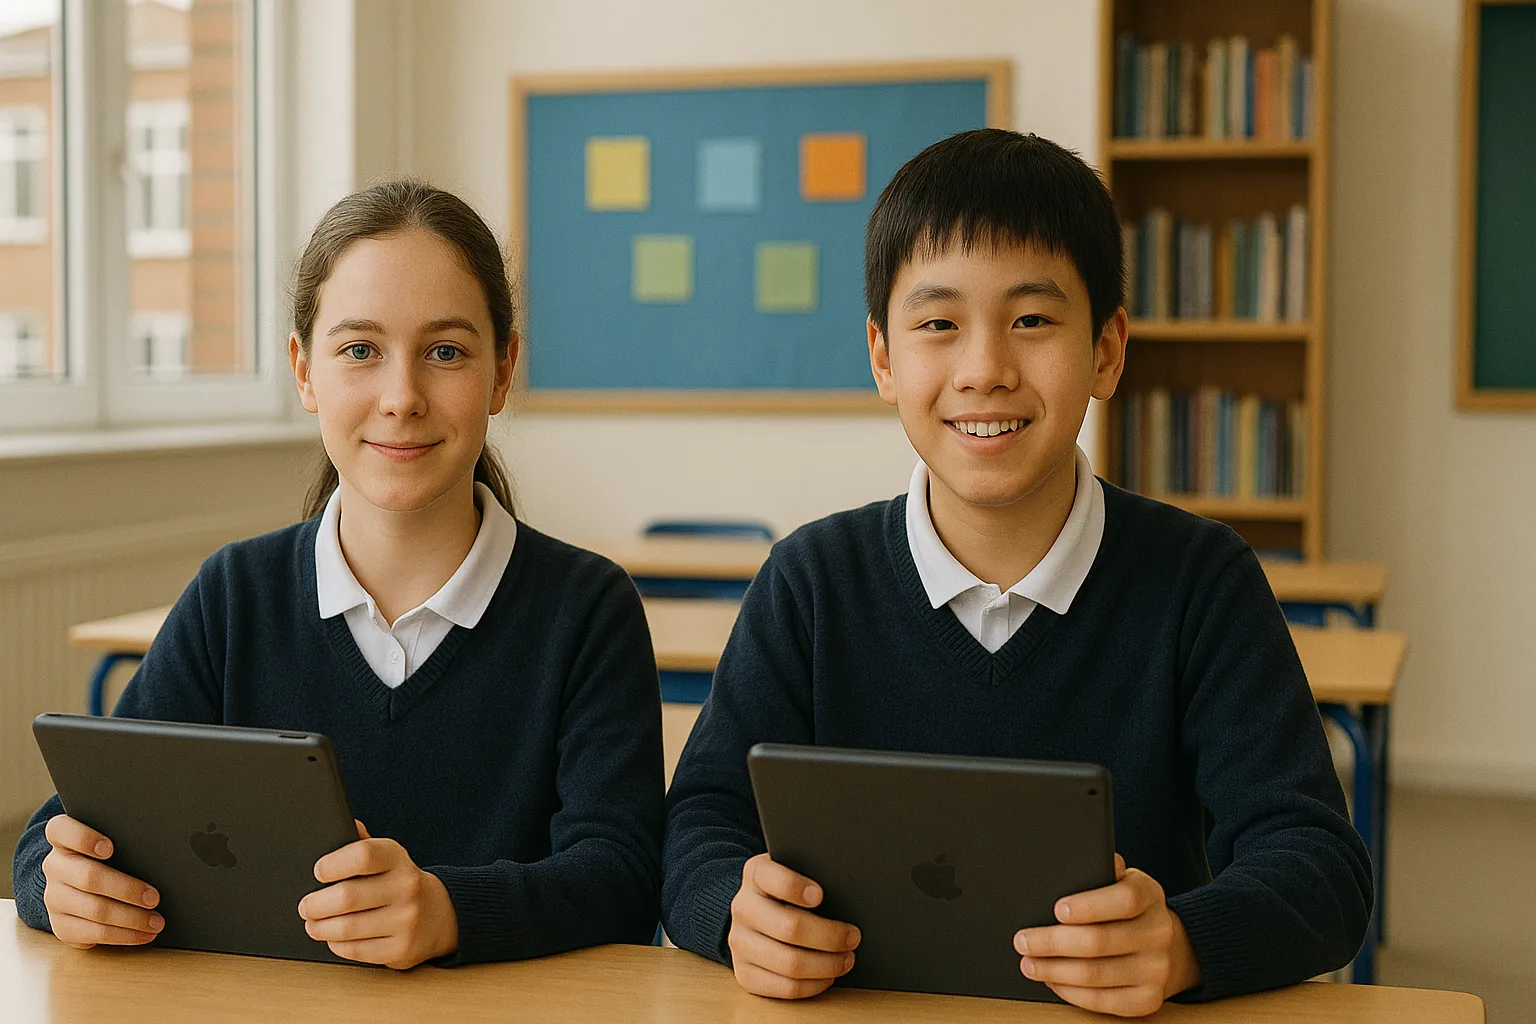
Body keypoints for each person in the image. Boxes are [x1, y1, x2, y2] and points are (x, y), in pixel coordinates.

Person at [661, 129, 1371, 1017]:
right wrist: (735, 912)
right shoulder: (810, 582)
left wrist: (1185, 944)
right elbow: (697, 824)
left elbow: (1319, 866)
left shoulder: (1200, 582)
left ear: (1107, 350)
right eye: (938, 325)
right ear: (884, 356)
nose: (985, 369)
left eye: (1032, 320)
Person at [12, 180, 665, 968]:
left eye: (446, 352)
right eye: (359, 350)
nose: (401, 397)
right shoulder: (234, 597)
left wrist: (451, 912)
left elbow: (625, 877)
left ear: (502, 371)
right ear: (304, 370)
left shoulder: (587, 610)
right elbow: (65, 827)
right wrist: (63, 883)